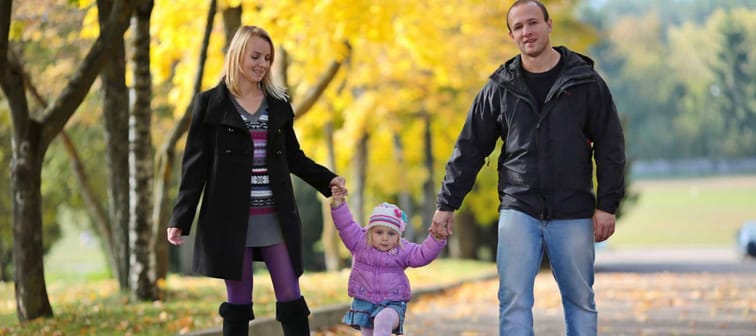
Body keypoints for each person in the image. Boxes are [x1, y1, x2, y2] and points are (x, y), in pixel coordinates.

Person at [430, 1, 626, 335]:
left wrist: (607, 205)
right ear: (510, 35)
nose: (526, 32)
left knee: (580, 301)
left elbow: (610, 147)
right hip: (518, 209)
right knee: (513, 301)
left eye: (533, 23)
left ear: (549, 25)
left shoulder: (585, 82)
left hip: (573, 210)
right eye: (518, 27)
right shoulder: (499, 87)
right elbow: (470, 148)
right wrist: (447, 204)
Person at [166, 25, 346, 336]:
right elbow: (195, 167)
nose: (262, 64)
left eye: (267, 58)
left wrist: (328, 180)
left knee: (291, 296)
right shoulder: (210, 104)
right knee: (238, 302)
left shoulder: (278, 103)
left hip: (274, 217)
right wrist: (181, 217)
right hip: (229, 219)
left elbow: (294, 157)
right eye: (256, 56)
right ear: (237, 55)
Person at [330, 185, 446, 335]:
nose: (385, 237)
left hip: (392, 304)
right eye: (379, 232)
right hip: (365, 304)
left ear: (398, 235)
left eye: (391, 234)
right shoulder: (359, 242)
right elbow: (345, 225)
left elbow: (423, 254)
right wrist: (339, 202)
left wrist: (436, 239)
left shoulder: (402, 249)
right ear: (370, 230)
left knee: (382, 320)